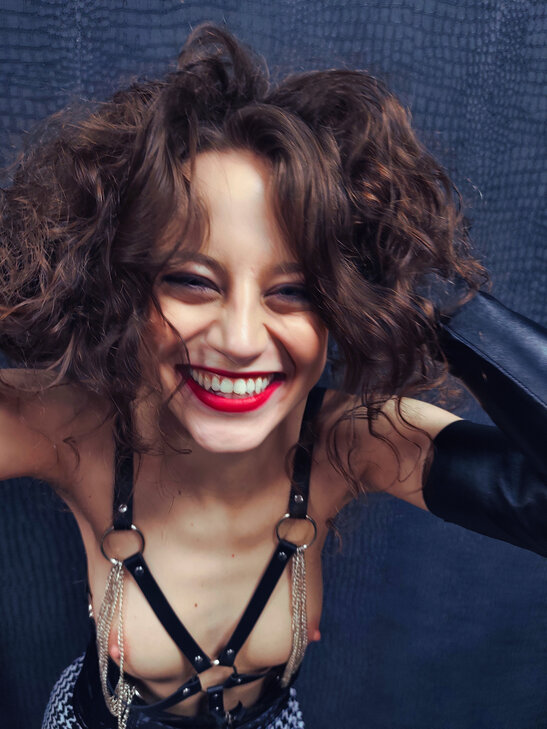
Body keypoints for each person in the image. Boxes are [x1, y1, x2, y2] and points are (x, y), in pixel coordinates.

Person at [0, 24, 545, 729]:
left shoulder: (354, 442)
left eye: (294, 291)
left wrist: (429, 290)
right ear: (123, 286)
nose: (239, 340)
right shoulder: (73, 429)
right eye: (192, 281)